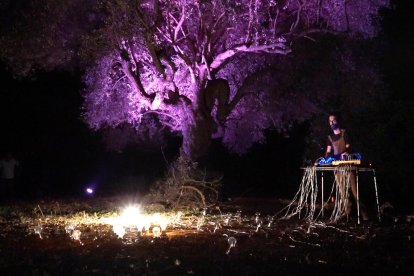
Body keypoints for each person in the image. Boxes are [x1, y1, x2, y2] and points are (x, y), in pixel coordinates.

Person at [324, 114, 368, 221]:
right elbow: (328, 151)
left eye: (333, 120)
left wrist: (345, 153)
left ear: (337, 121)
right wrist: (326, 158)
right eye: (330, 121)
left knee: (355, 190)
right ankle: (347, 212)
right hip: (337, 168)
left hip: (348, 166)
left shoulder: (345, 133)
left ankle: (364, 214)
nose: (332, 123)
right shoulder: (329, 137)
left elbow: (348, 148)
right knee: (343, 191)